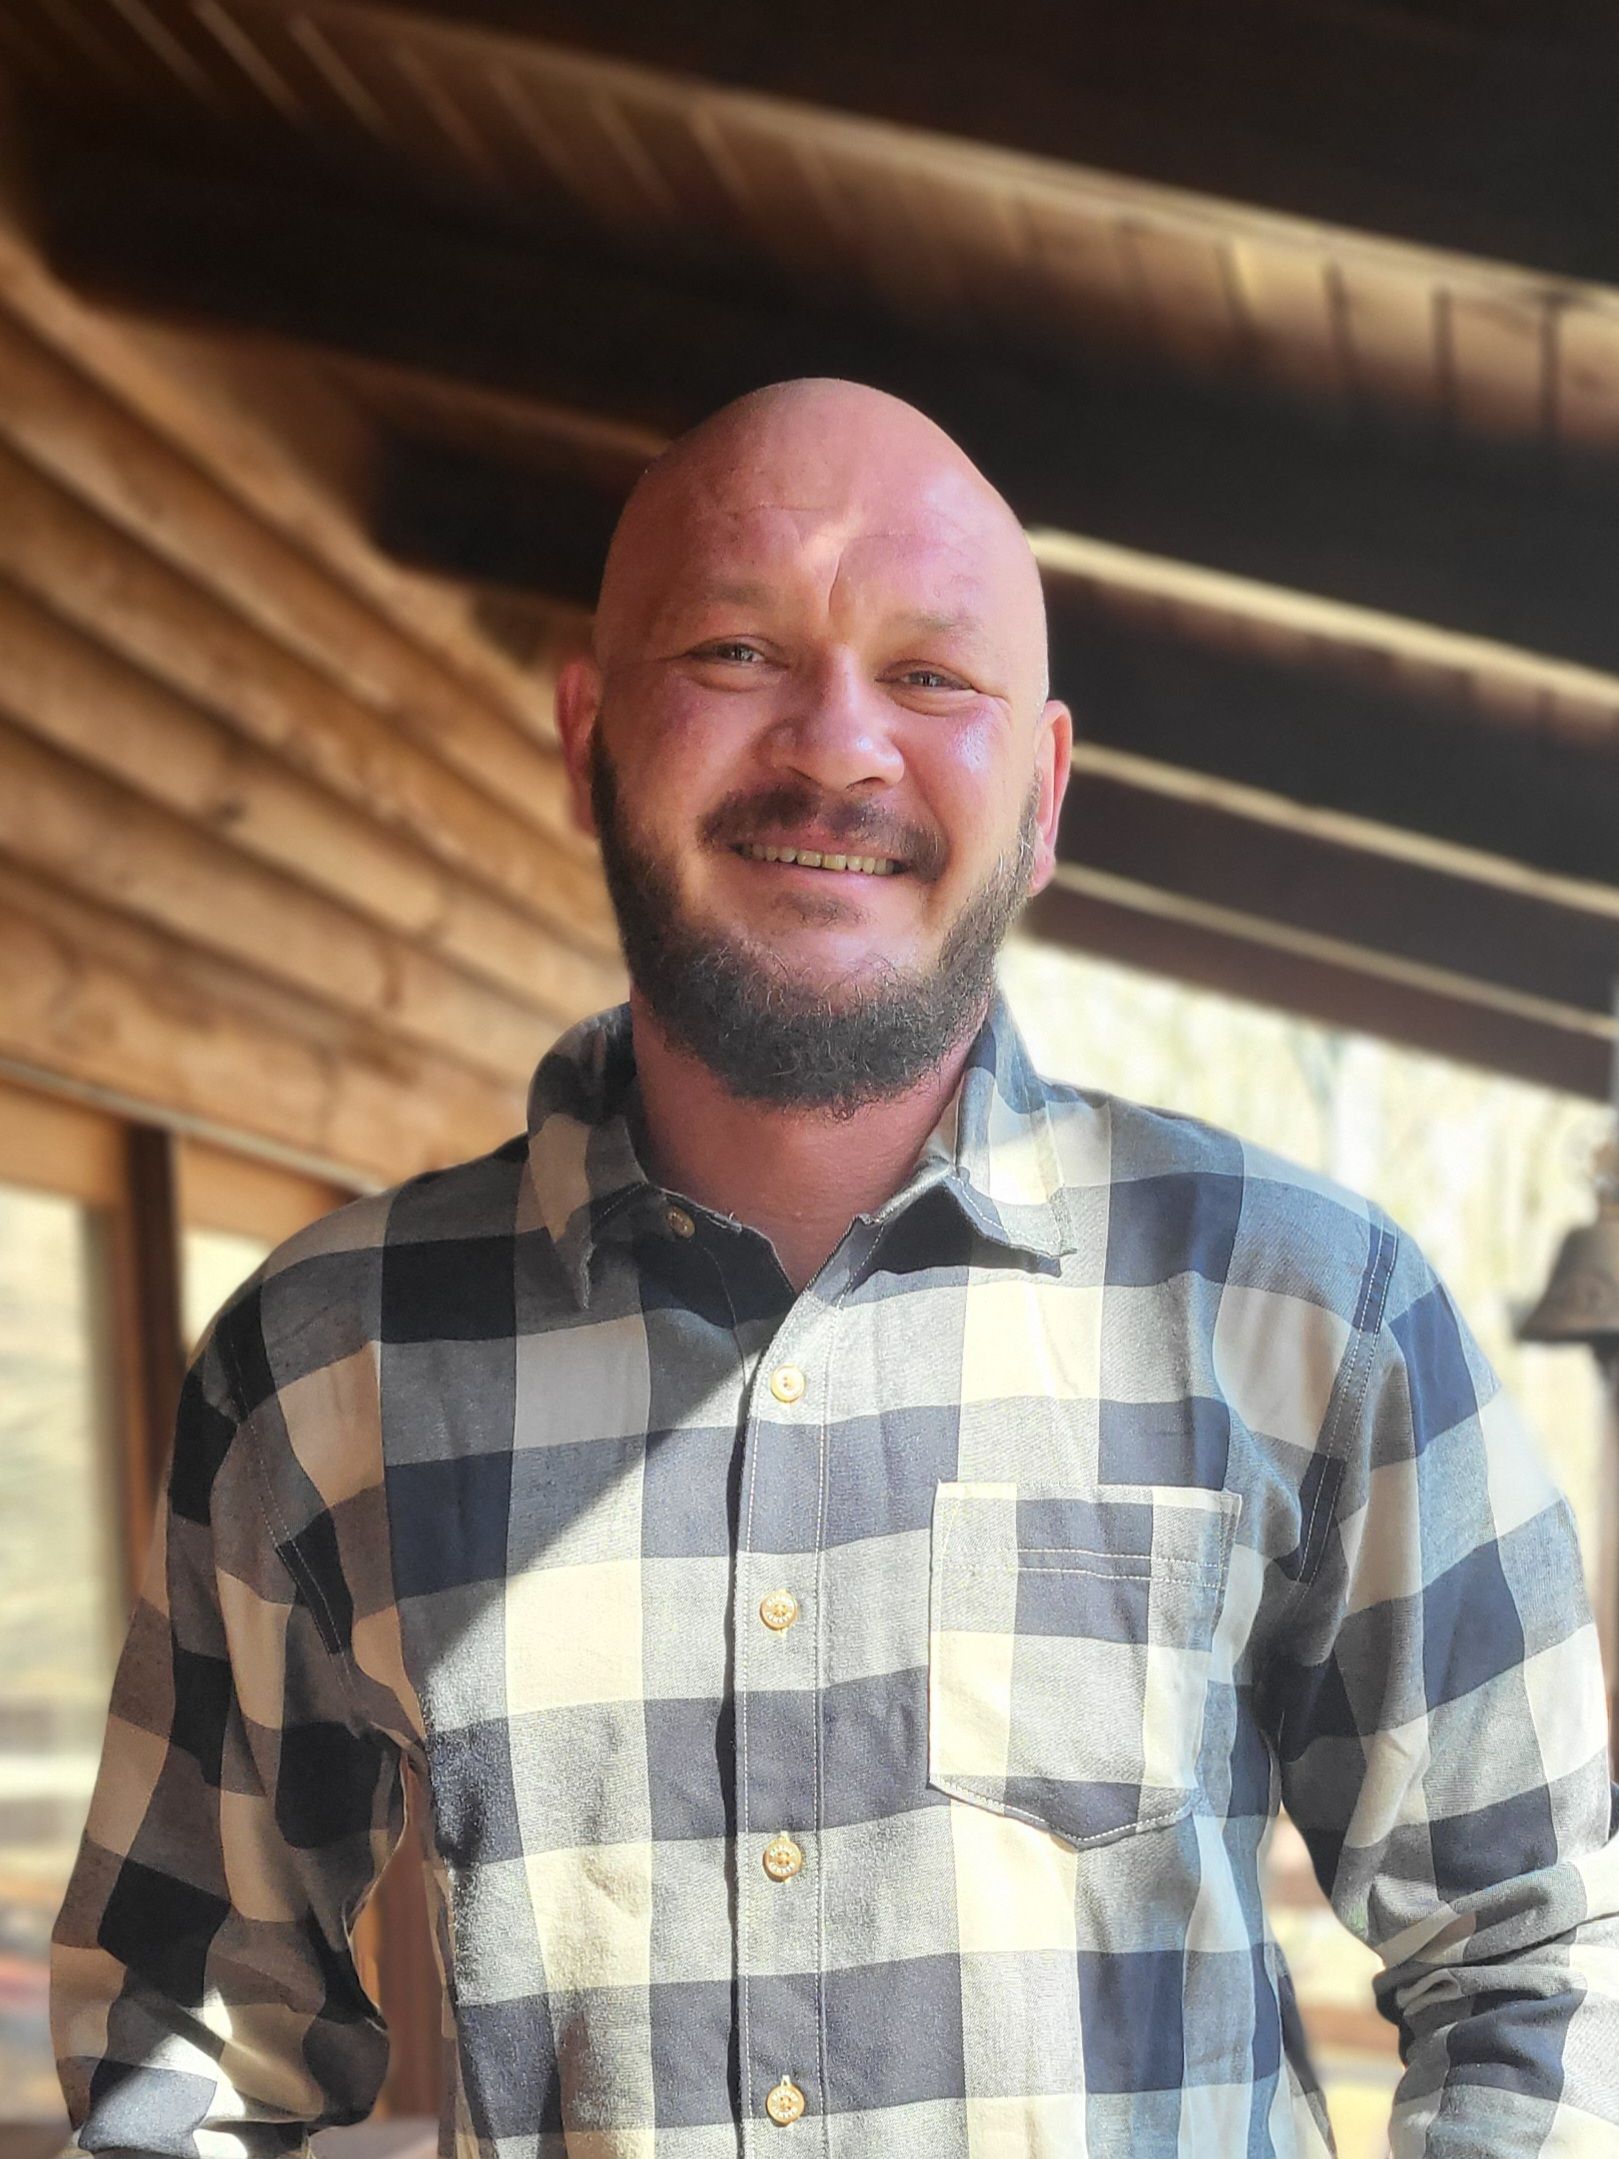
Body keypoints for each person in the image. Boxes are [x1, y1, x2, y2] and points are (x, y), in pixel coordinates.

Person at [52, 379, 1619, 2157]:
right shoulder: (321, 1367)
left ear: (1044, 792)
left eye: (933, 677)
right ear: (589, 745)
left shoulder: (1307, 1317)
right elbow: (186, 2047)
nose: (840, 746)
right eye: (735, 649)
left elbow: (1537, 1954)